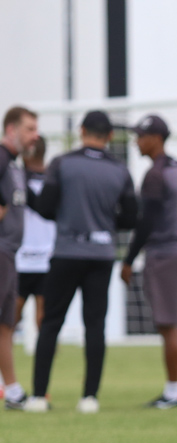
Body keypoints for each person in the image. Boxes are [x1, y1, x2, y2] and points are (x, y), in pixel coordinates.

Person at [26, 110, 138, 414]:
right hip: (101, 256)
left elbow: (46, 208)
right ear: (110, 136)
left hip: (65, 252)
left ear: (82, 130)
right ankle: (90, 397)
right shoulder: (120, 170)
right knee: (95, 325)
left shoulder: (62, 164)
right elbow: (130, 217)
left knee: (51, 323)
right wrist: (104, 222)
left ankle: (38, 396)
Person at [121, 114, 177, 408]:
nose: (137, 141)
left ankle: (172, 391)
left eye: (141, 136)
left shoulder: (155, 174)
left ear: (155, 138)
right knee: (175, 323)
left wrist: (129, 259)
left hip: (165, 253)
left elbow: (147, 222)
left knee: (167, 325)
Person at [0, 106, 38, 409]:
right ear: (11, 129)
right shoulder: (1, 157)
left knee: (6, 326)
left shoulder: (15, 165)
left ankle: (12, 391)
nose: (34, 135)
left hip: (9, 254)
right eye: (29, 128)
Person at [15, 136, 56, 329]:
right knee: (44, 318)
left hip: (19, 256)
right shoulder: (55, 179)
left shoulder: (15, 178)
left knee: (10, 318)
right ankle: (46, 359)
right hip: (48, 256)